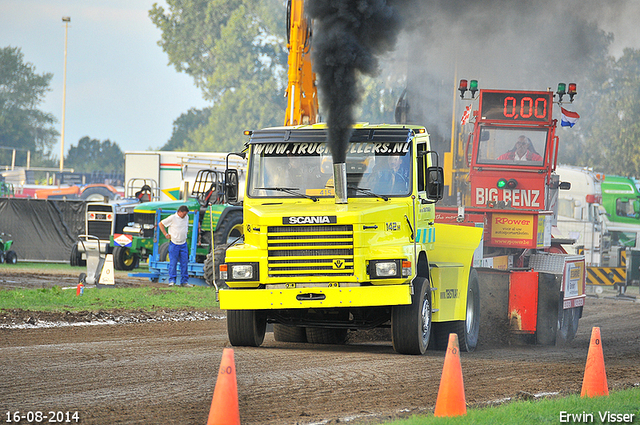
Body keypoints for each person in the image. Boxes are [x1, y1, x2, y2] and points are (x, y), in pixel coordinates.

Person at [158, 205, 192, 287]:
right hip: (174, 243)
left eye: (185, 214)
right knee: (173, 263)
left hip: (183, 243)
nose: (184, 216)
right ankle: (172, 280)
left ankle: (184, 281)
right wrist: (165, 234)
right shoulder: (172, 218)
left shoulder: (186, 217)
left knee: (184, 263)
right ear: (179, 212)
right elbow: (161, 223)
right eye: (183, 214)